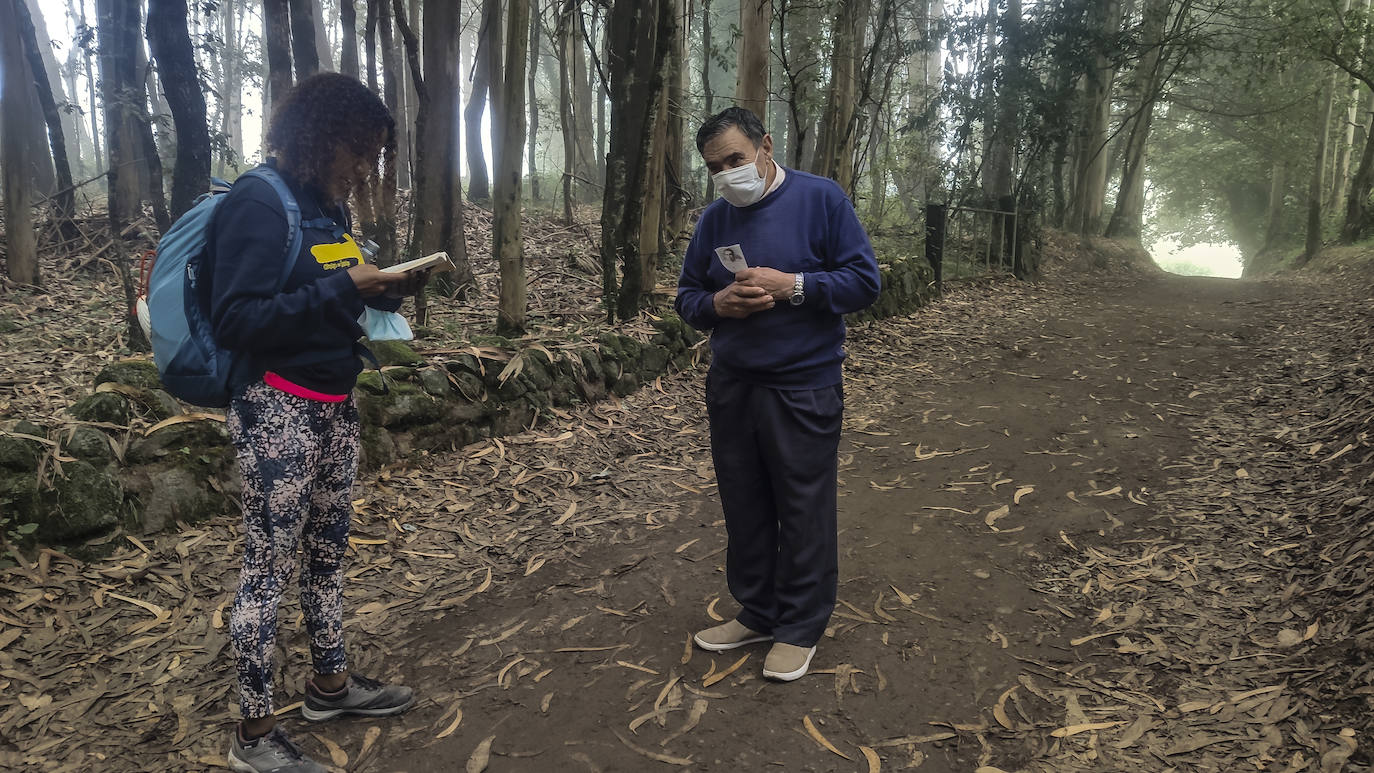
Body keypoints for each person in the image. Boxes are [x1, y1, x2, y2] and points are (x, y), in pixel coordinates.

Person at [209, 73, 425, 773]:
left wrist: (385, 284)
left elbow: (327, 291)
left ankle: (329, 684)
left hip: (335, 404)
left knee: (327, 553)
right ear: (320, 137)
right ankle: (252, 734)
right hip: (275, 406)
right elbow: (237, 317)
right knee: (266, 570)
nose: (364, 168)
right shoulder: (258, 203)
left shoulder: (329, 213)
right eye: (358, 152)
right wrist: (343, 284)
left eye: (372, 156)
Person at [675, 107, 881, 682]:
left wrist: (795, 286)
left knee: (803, 507)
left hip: (803, 385)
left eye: (735, 160)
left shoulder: (821, 199)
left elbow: (865, 281)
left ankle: (801, 626)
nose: (726, 174)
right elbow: (688, 296)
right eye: (715, 167)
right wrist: (717, 305)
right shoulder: (715, 220)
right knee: (744, 504)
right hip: (734, 385)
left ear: (766, 147)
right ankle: (759, 611)